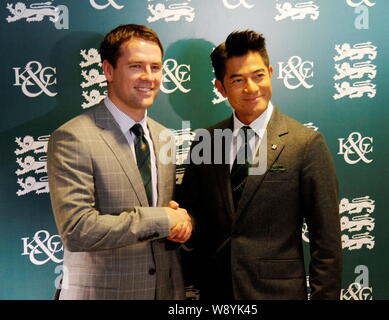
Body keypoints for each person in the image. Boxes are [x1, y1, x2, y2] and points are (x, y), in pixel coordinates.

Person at [179, 30, 342, 300]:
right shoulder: (205, 141)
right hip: (218, 294)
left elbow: (327, 244)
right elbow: (192, 213)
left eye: (258, 76)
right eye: (238, 80)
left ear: (270, 72)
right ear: (220, 87)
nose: (251, 88)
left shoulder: (306, 143)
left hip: (279, 293)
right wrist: (179, 220)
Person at [47, 24, 192, 300]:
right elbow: (78, 229)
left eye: (156, 67)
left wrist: (180, 224)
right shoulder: (72, 137)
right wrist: (162, 219)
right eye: (136, 66)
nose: (149, 77)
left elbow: (167, 213)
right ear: (108, 70)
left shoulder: (165, 137)